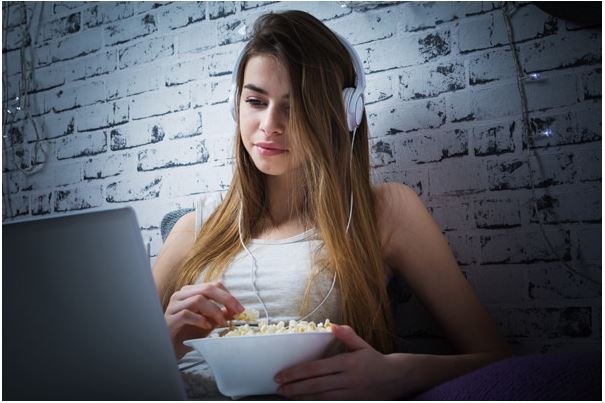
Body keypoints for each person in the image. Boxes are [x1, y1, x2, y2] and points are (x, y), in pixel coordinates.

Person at [152, 10, 511, 400]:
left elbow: (498, 359)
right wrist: (163, 347)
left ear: (343, 114)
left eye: (295, 106)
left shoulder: (383, 211)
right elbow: (106, 373)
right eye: (256, 100)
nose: (269, 125)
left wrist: (398, 372)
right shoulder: (193, 228)